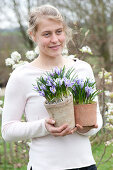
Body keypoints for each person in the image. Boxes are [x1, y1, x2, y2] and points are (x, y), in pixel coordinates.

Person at [2, 4, 103, 170]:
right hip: (45, 166)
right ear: (33, 35)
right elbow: (7, 131)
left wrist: (86, 129)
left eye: (59, 31)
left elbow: (97, 119)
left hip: (86, 165)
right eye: (46, 34)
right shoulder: (21, 76)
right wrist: (44, 127)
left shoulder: (82, 69)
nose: (55, 40)